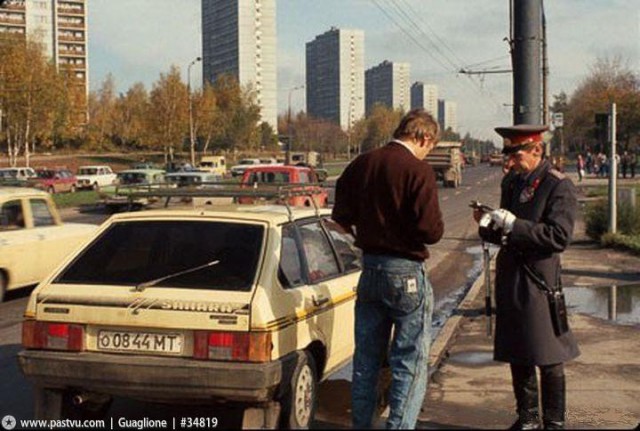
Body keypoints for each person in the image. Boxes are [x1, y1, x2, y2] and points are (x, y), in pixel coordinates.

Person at [333, 108, 444, 429]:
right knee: (409, 362)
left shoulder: (362, 163)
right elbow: (431, 231)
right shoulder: (417, 170)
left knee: (366, 362)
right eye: (430, 146)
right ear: (423, 137)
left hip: (369, 272)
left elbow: (341, 215)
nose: (428, 152)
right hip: (406, 273)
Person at [472, 124, 580, 430]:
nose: (510, 159)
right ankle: (529, 418)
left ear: (536, 149)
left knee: (547, 353)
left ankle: (554, 422)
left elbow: (558, 236)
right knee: (518, 350)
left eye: (515, 152)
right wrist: (487, 224)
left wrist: (514, 225)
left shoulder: (557, 185)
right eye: (508, 152)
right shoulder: (512, 182)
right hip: (511, 275)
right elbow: (504, 233)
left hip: (539, 280)